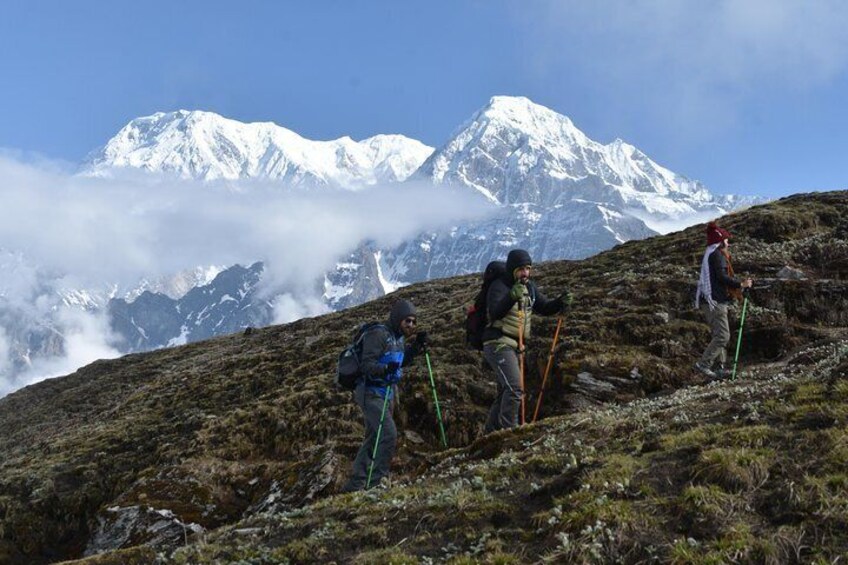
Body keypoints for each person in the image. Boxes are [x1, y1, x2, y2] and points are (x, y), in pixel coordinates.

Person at [342, 299, 428, 492]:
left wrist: (416, 347)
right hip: (370, 392)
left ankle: (355, 484)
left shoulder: (398, 338)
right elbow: (366, 365)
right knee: (388, 434)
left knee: (373, 437)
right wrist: (384, 369)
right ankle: (376, 483)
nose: (411, 325)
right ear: (398, 319)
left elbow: (400, 361)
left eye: (414, 322)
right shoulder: (379, 334)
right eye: (408, 321)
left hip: (387, 392)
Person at [482, 249, 571, 433]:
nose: (525, 273)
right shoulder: (499, 286)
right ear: (512, 269)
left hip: (516, 346)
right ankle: (511, 433)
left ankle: (489, 434)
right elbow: (494, 312)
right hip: (498, 343)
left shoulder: (530, 287)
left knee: (505, 393)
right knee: (515, 389)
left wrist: (560, 302)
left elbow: (544, 307)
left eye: (528, 268)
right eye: (521, 269)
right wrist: (511, 297)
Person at [694, 222, 753, 379]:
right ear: (720, 242)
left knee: (718, 334)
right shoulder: (718, 255)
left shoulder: (710, 254)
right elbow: (721, 277)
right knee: (723, 336)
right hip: (715, 302)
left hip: (710, 301)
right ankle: (704, 364)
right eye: (726, 240)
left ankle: (719, 367)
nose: (728, 243)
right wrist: (741, 284)